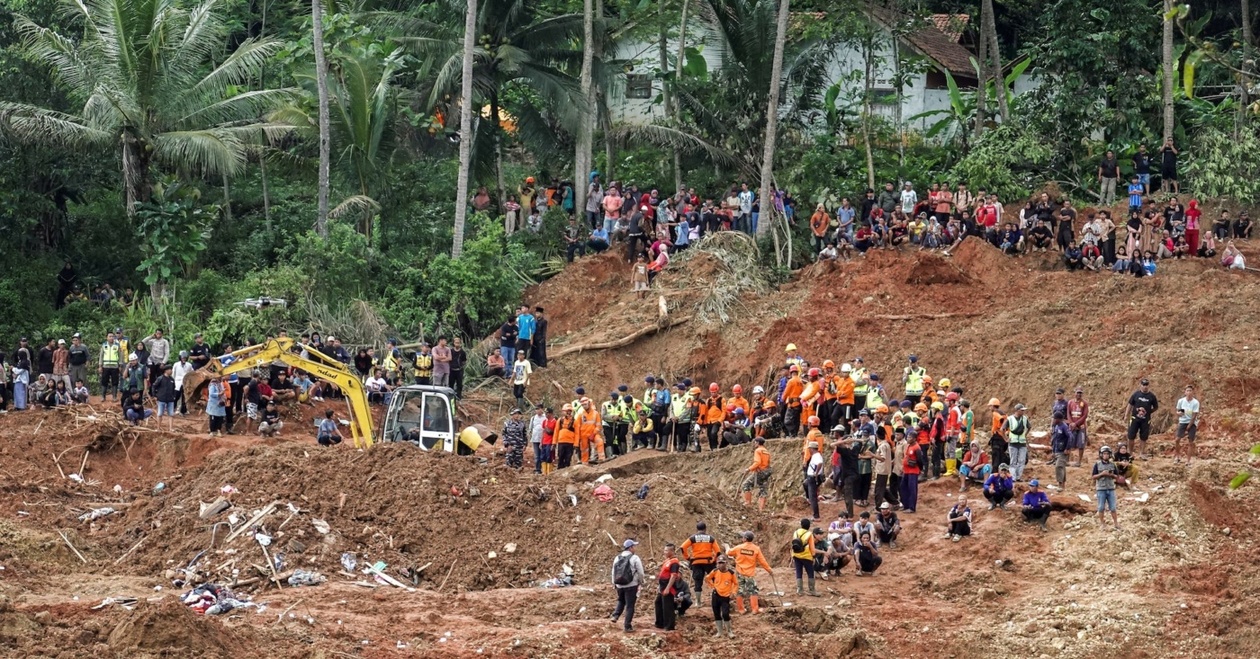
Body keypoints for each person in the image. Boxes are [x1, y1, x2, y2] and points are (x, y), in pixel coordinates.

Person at [727, 531, 772, 614]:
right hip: (750, 574)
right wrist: (769, 570)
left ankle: (741, 610)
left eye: (743, 537)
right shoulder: (756, 549)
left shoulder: (739, 548)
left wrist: (727, 549)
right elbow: (762, 561)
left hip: (740, 573)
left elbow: (729, 553)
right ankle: (755, 609)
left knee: (739, 591)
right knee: (753, 591)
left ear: (745, 539)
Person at [610, 539, 645, 633]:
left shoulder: (617, 558)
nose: (635, 548)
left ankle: (615, 615)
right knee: (630, 605)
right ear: (630, 548)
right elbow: (641, 572)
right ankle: (627, 626)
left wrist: (614, 583)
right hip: (631, 585)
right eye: (634, 546)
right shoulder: (635, 558)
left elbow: (613, 572)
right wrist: (641, 582)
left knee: (621, 600)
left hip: (619, 585)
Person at [681, 521, 721, 599]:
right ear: (705, 529)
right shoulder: (711, 538)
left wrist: (688, 558)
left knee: (698, 582)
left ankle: (698, 602)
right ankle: (718, 596)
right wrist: (714, 560)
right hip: (708, 562)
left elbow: (683, 547)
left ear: (697, 529)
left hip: (696, 562)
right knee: (714, 579)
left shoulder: (692, 538)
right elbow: (718, 551)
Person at [705, 555, 738, 639]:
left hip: (726, 596)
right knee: (716, 613)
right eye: (719, 563)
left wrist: (733, 592)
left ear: (726, 563)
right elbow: (707, 578)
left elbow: (736, 583)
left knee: (725, 614)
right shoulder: (715, 571)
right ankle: (719, 632)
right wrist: (712, 586)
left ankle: (729, 631)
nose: (720, 565)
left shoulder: (731, 573)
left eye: (722, 563)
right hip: (716, 594)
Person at [1126, 378, 1159, 460]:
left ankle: (1141, 453)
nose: (1145, 386)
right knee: (1131, 436)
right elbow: (1130, 404)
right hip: (1134, 419)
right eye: (1143, 385)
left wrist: (1149, 412)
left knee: (1144, 437)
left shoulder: (1152, 396)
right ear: (1140, 385)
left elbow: (1156, 407)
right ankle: (1130, 453)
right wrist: (1126, 415)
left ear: (1148, 386)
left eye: (1146, 385)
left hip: (1145, 420)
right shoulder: (1136, 394)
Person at [653, 544, 682, 631]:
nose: (664, 552)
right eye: (664, 550)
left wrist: (667, 588)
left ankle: (669, 626)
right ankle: (660, 623)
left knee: (667, 606)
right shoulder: (668, 560)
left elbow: (673, 576)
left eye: (666, 550)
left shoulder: (674, 562)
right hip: (662, 586)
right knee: (658, 603)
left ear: (672, 551)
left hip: (668, 587)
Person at [1092, 446, 1121, 530]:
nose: (1106, 455)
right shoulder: (1097, 464)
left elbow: (1117, 476)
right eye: (1104, 454)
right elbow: (1093, 476)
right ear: (1101, 455)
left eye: (1107, 454)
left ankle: (1116, 523)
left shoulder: (1113, 464)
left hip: (1111, 488)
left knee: (1113, 507)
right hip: (1101, 489)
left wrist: (1111, 475)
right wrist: (1102, 474)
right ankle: (1102, 524)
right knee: (1101, 507)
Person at [790, 518, 820, 597]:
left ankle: (800, 590)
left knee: (799, 572)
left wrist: (792, 555)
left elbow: (793, 543)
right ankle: (812, 590)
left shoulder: (796, 532)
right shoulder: (809, 534)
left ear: (801, 525)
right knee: (810, 572)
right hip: (806, 556)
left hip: (796, 555)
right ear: (809, 526)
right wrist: (813, 556)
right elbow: (812, 547)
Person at [741, 437, 772, 510]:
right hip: (767, 471)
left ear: (757, 443)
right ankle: (761, 509)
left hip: (760, 471)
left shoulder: (758, 450)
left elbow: (757, 462)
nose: (754, 444)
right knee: (763, 490)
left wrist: (749, 469)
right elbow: (768, 463)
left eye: (755, 442)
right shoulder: (766, 451)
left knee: (746, 484)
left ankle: (748, 503)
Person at [1174, 385, 1200, 464]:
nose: (1189, 392)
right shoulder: (1181, 401)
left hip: (1192, 422)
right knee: (1177, 439)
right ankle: (1178, 456)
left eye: (1190, 391)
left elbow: (1194, 416)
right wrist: (1179, 413)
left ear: (1193, 392)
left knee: (1190, 442)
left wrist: (1189, 426)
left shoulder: (1195, 402)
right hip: (1182, 421)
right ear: (1185, 392)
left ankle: (1188, 461)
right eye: (1187, 391)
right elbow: (1178, 411)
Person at [1005, 404, 1030, 481]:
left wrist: (1025, 435)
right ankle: (1013, 477)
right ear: (1017, 410)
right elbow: (1002, 428)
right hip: (1013, 443)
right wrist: (1006, 438)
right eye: (1022, 410)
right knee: (1013, 461)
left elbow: (1029, 427)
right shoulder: (1010, 419)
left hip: (1022, 443)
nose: (1023, 412)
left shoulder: (1025, 419)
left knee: (1021, 461)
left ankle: (1018, 477)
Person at [804, 440, 825, 521]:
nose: (809, 450)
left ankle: (816, 516)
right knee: (805, 484)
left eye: (809, 448)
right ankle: (808, 498)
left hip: (813, 478)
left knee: (813, 497)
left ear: (812, 449)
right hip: (811, 478)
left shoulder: (816, 456)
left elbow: (819, 463)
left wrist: (816, 473)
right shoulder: (816, 455)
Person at [1050, 411, 1071, 490]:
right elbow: (1055, 440)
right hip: (1057, 450)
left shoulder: (1064, 427)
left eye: (1055, 418)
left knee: (1058, 466)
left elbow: (1070, 437)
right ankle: (1063, 485)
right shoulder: (1056, 426)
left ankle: (1060, 485)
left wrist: (1067, 448)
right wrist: (1053, 451)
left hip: (1063, 451)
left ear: (1058, 419)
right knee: (1061, 467)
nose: (1053, 420)